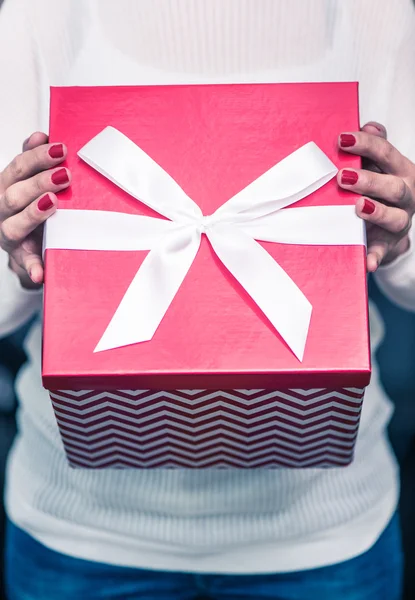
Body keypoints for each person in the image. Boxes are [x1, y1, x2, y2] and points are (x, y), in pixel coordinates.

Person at [1, 1, 415, 598]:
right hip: (79, 534)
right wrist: (16, 245)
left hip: (325, 535)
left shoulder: (371, 11)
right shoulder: (43, 13)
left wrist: (396, 235)